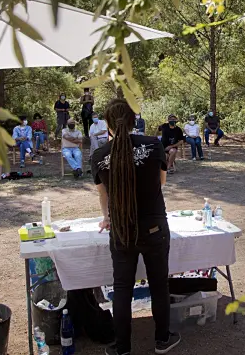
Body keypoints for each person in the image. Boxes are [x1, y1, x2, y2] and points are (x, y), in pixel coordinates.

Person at [91, 99, 180, 355]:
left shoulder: (99, 156)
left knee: (122, 289)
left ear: (107, 124)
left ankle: (122, 348)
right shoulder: (153, 144)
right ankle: (162, 339)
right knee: (159, 285)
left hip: (121, 230)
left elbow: (104, 195)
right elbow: (161, 183)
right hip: (154, 228)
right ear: (133, 121)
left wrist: (107, 218)